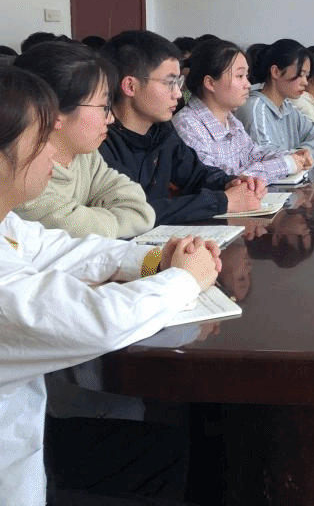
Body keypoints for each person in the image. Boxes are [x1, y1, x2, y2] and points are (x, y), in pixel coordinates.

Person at [0, 64, 221, 505]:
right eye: (41, 139)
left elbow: (61, 250)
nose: (54, 153)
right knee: (194, 462)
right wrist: (182, 280)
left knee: (185, 450)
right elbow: (95, 319)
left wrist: (158, 260)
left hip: (28, 432)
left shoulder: (8, 223)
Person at [99, 30, 263, 224]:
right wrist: (223, 201)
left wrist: (232, 183)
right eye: (169, 83)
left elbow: (197, 174)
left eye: (178, 82)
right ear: (130, 86)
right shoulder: (99, 140)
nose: (178, 94)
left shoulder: (161, 130)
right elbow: (136, 213)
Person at [12, 42, 155, 239]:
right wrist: (104, 221)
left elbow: (140, 211)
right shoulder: (20, 179)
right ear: (54, 113)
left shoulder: (84, 156)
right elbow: (77, 232)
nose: (111, 118)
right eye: (104, 106)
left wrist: (91, 220)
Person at [173, 39, 313, 181]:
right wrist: (286, 164)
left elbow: (254, 155)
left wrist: (292, 156)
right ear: (210, 83)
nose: (248, 84)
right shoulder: (187, 126)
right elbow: (224, 179)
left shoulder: (231, 121)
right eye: (240, 76)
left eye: (246, 76)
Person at [236, 39, 314, 164]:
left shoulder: (287, 107)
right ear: (276, 72)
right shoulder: (255, 108)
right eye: (300, 74)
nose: (305, 82)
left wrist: (300, 153)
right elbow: (271, 161)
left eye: (306, 75)